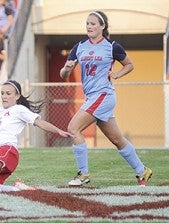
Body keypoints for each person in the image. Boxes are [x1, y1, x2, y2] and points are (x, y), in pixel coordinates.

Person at [59, 11, 152, 186]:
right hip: (92, 97)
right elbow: (64, 74)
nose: (89, 26)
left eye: (93, 23)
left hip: (104, 95)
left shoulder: (112, 46)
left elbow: (129, 64)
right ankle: (143, 171)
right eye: (87, 23)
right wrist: (67, 68)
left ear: (102, 26)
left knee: (73, 128)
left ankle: (83, 175)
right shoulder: (79, 47)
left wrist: (117, 74)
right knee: (117, 139)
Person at [0, 80, 73, 195]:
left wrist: (58, 130)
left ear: (17, 96)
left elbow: (39, 122)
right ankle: (18, 189)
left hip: (6, 151)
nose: (4, 96)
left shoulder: (19, 109)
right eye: (2, 93)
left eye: (8, 93)